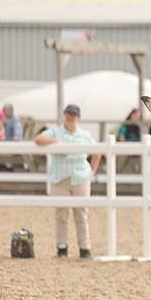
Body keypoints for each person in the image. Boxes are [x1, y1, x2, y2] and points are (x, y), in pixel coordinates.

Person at [34, 104, 101, 259]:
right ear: (64, 115)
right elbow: (38, 139)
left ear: (78, 117)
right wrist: (55, 142)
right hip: (60, 177)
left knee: (81, 214)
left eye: (74, 114)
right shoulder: (55, 132)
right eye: (68, 114)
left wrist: (92, 171)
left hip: (80, 177)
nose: (71, 116)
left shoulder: (84, 135)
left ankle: (85, 247)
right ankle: (62, 247)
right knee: (61, 214)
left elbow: (98, 152)